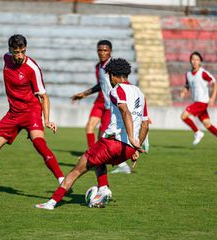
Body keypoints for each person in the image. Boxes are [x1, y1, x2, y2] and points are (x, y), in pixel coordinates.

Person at [35, 58, 149, 210]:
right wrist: (135, 146)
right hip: (127, 150)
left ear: (113, 75)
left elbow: (125, 111)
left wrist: (132, 139)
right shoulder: (140, 93)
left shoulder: (116, 90)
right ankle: (103, 189)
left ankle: (51, 203)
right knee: (99, 161)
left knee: (77, 169)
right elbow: (145, 125)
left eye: (110, 76)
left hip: (113, 143)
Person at [0, 34, 65, 196]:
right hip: (13, 114)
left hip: (31, 111)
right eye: (16, 52)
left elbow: (43, 96)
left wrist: (47, 119)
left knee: (39, 144)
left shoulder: (32, 68)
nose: (20, 55)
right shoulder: (6, 59)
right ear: (10, 50)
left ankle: (63, 181)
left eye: (23, 51)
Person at [71, 40, 131, 177]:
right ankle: (92, 157)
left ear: (110, 51)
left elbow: (124, 84)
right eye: (100, 50)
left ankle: (121, 164)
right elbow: (101, 84)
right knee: (89, 127)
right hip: (102, 102)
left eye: (105, 50)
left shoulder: (113, 67)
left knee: (103, 138)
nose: (102, 53)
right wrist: (84, 94)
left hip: (112, 106)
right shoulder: (99, 66)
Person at [180, 51, 217, 151]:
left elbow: (215, 83)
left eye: (197, 59)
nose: (195, 61)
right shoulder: (188, 74)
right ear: (190, 60)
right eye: (193, 59)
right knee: (207, 124)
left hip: (202, 102)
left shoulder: (203, 73)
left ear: (200, 62)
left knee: (183, 116)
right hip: (197, 102)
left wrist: (212, 98)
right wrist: (183, 92)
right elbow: (187, 85)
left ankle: (197, 132)